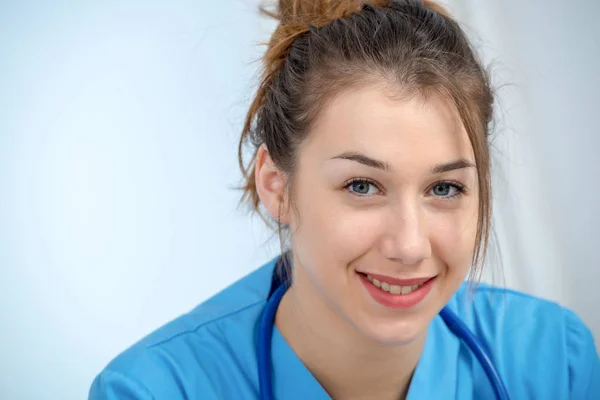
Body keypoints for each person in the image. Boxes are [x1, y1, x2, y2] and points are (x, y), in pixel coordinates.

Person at [89, 0, 600, 399]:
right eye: (362, 186)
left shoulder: (555, 358)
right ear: (276, 186)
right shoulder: (153, 390)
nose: (408, 245)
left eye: (444, 188)